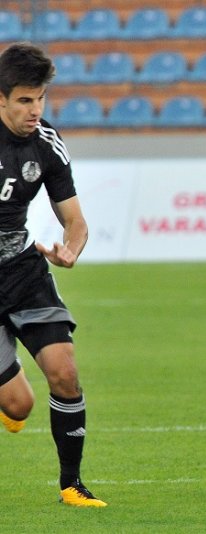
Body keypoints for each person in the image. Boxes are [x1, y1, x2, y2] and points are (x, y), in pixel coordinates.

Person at [0, 42, 106, 507]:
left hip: (23, 270)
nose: (35, 110)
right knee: (18, 406)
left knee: (65, 373)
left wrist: (71, 250)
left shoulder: (46, 143)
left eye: (40, 99)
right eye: (24, 100)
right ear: (0, 98)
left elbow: (75, 220)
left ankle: (72, 484)